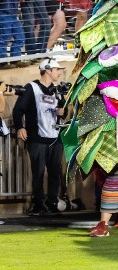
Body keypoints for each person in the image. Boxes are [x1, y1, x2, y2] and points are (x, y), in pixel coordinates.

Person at [13, 59, 66, 216]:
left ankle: (52, 202)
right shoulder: (31, 88)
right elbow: (18, 110)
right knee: (38, 172)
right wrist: (20, 127)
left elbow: (63, 113)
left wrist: (63, 112)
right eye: (57, 69)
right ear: (48, 70)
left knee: (55, 172)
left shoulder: (58, 90)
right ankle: (38, 204)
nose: (59, 72)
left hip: (55, 138)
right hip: (37, 138)